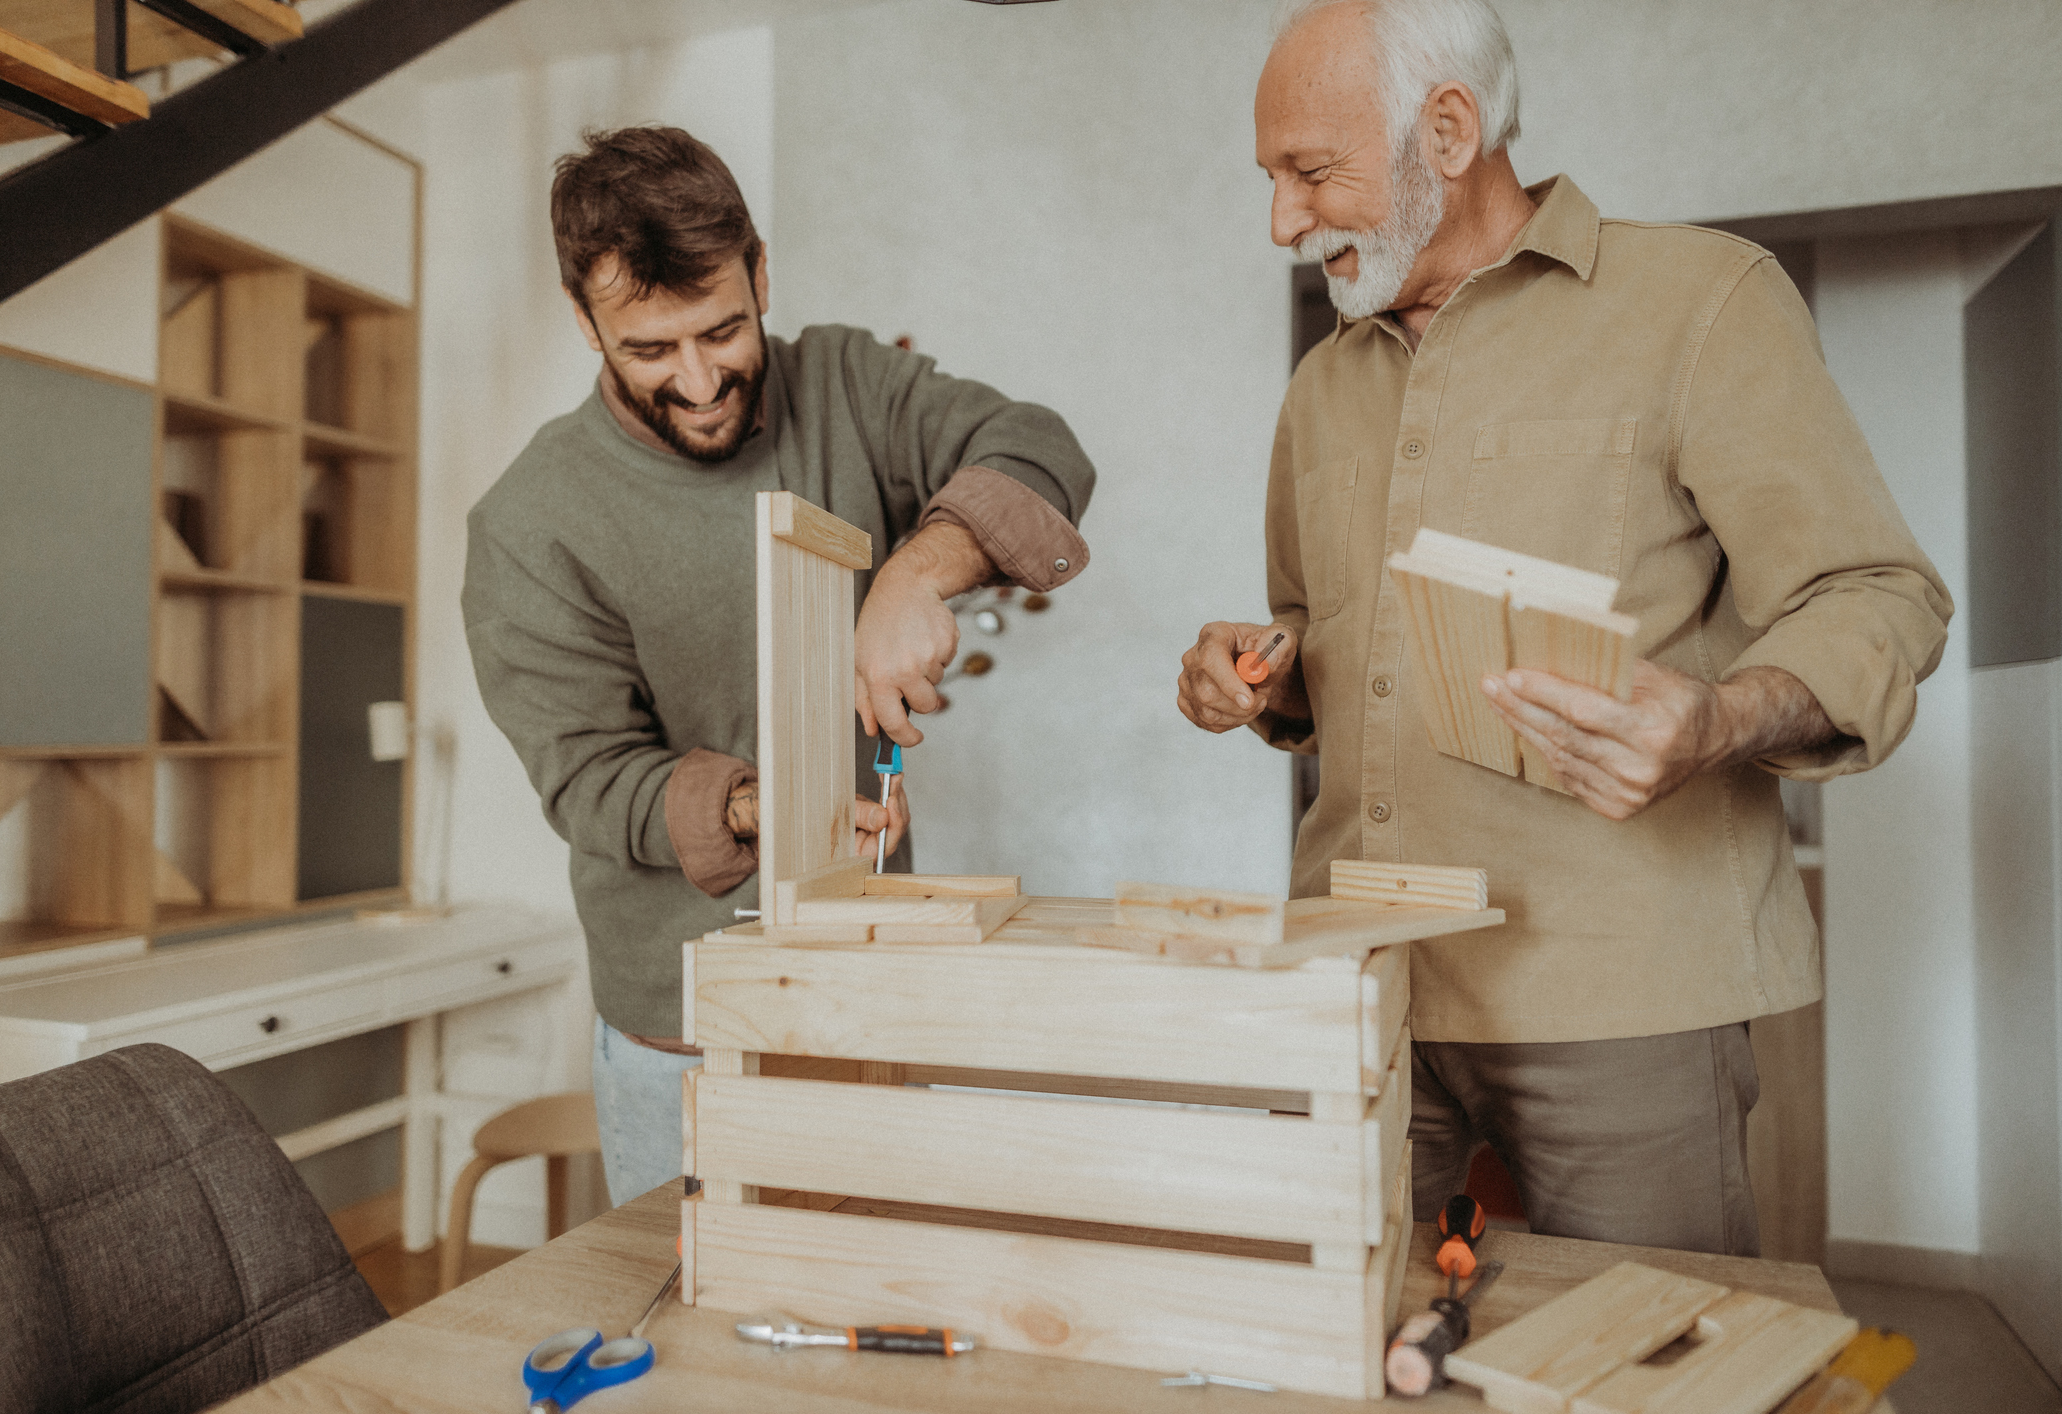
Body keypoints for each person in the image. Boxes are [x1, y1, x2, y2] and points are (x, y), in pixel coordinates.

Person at [1176, 0, 1949, 1255]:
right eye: (1272, 179)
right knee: (1337, 1359)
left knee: (1643, 1370)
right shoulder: (1322, 385)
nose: (1283, 221)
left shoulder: (1701, 302)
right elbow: (1318, 629)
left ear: (1448, 128)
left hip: (1624, 991)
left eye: (1311, 173)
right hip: (1359, 976)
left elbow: (1879, 593)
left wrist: (1717, 719)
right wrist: (1259, 671)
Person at [465, 126, 1095, 1205]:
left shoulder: (848, 383)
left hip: (872, 977)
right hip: (686, 1025)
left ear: (761, 272)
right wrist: (771, 808)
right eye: (650, 350)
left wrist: (915, 570)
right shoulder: (530, 522)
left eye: (722, 329)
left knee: (880, 1291)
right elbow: (587, 780)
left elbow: (1037, 444)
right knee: (697, 1339)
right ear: (586, 324)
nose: (701, 380)